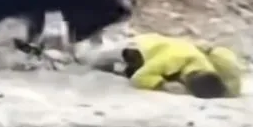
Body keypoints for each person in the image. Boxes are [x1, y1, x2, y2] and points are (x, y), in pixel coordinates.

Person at [90, 32, 244, 98]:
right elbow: (139, 78)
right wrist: (162, 85)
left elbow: (230, 87)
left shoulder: (206, 67)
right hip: (140, 47)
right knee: (93, 61)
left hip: (165, 50)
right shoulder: (174, 59)